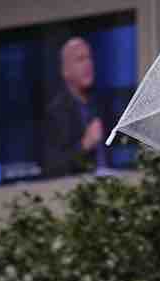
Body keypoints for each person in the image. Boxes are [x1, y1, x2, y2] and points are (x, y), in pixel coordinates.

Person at [41, 36, 109, 178]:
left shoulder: (102, 104)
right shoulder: (56, 113)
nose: (88, 64)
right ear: (65, 71)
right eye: (80, 59)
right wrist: (84, 146)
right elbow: (52, 167)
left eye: (89, 58)